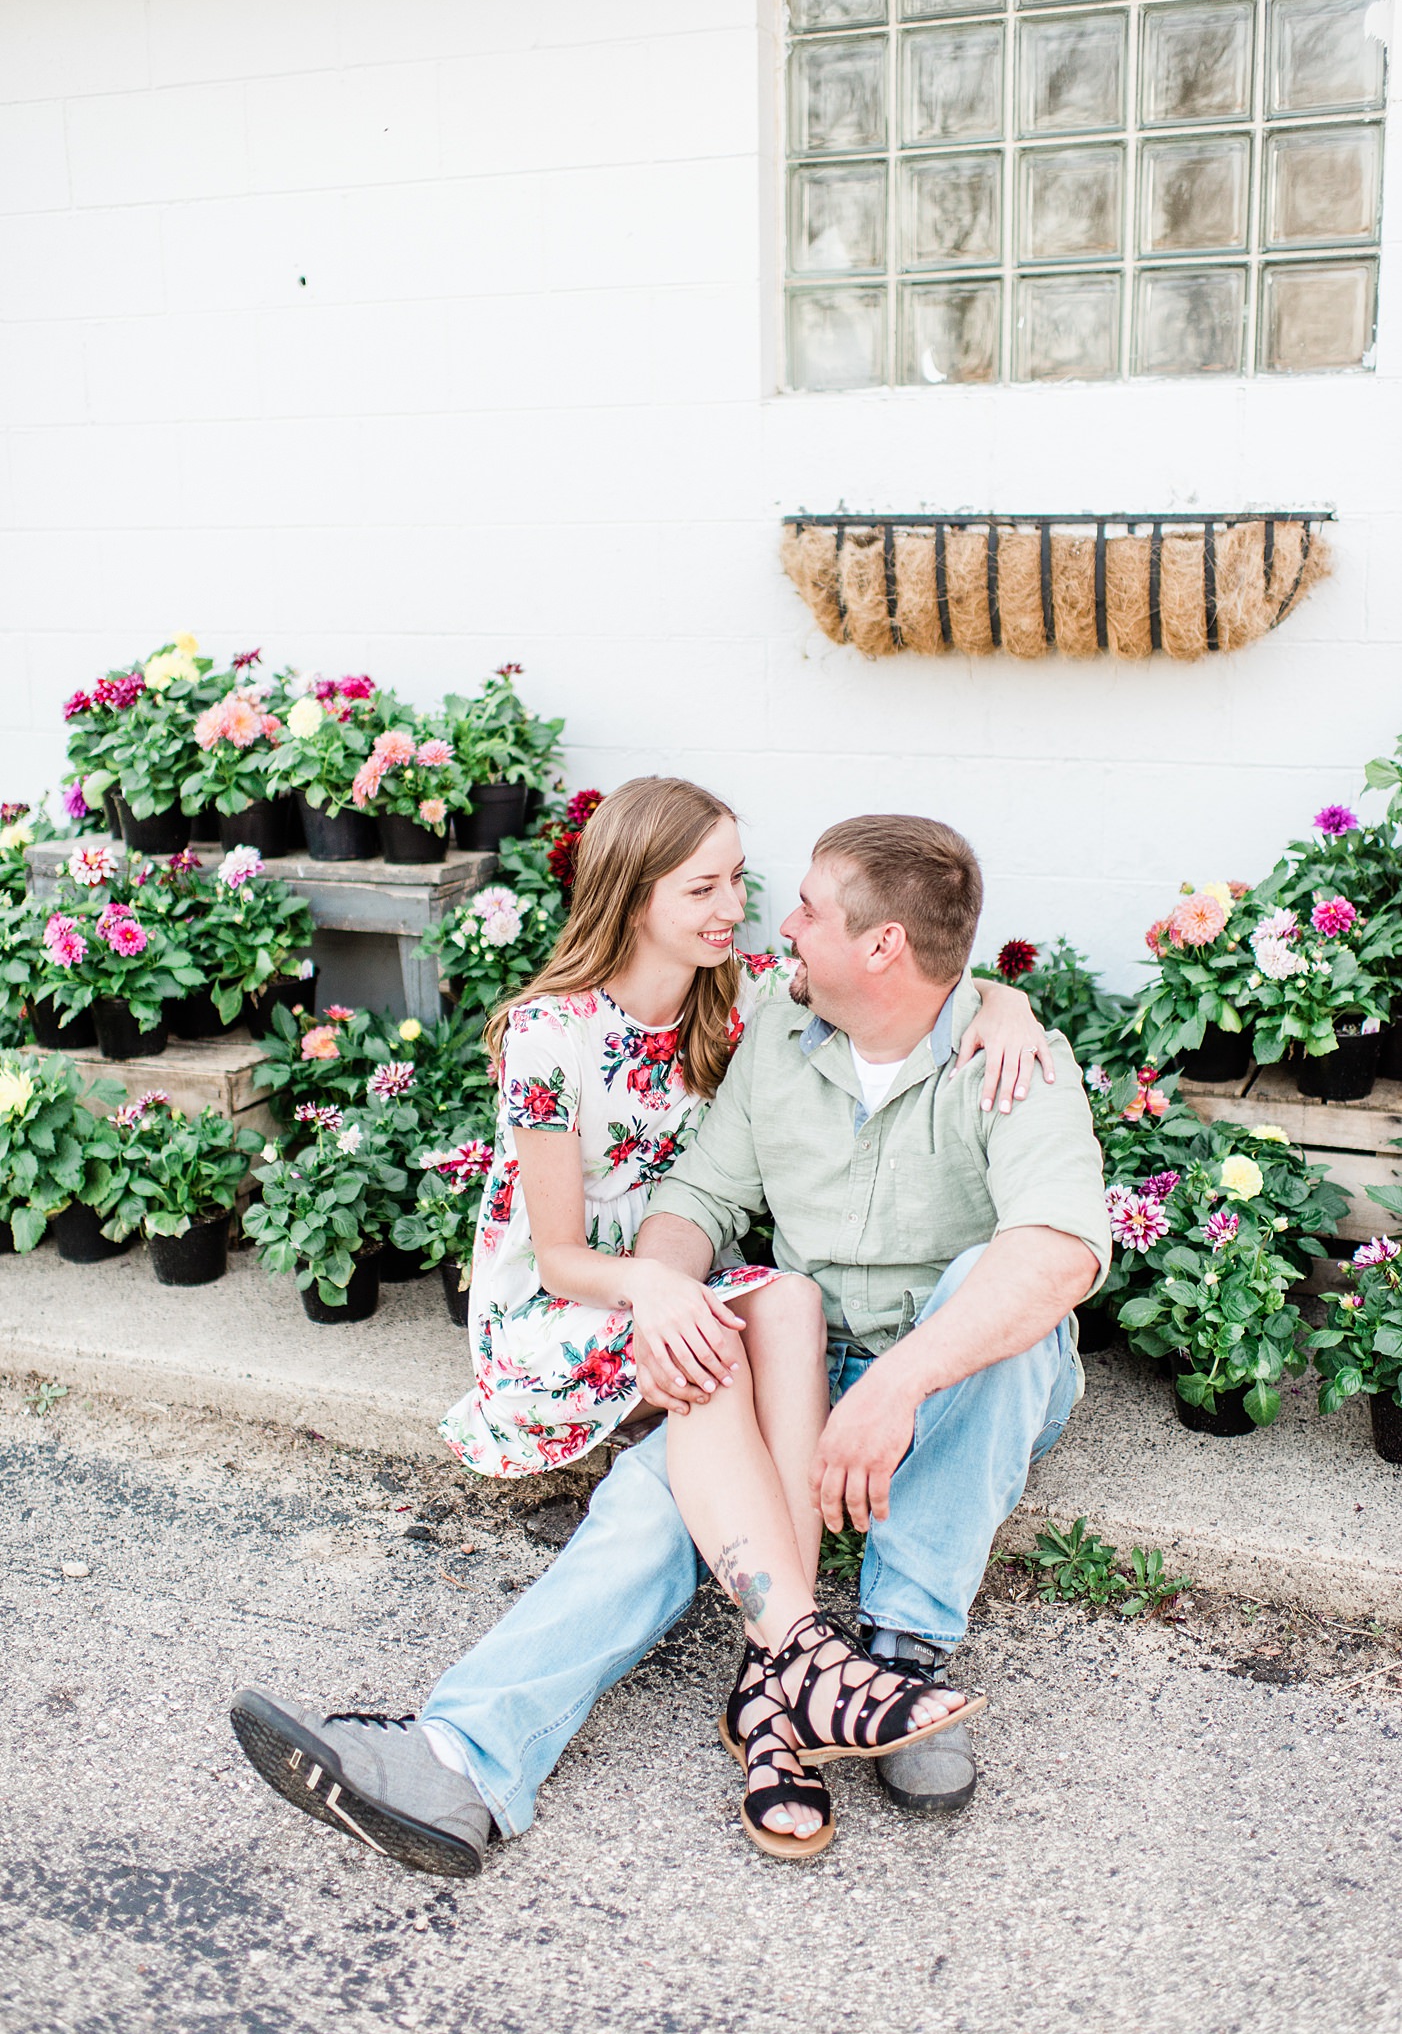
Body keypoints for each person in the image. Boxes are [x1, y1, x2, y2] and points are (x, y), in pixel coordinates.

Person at [231, 794, 1097, 1874]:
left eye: (810, 911)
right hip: (811, 1350)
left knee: (997, 1299)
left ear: (883, 946)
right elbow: (696, 1194)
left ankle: (899, 1656)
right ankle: (462, 1761)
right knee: (664, 1488)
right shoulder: (780, 1024)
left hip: (954, 1371)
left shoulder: (1012, 1058)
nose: (777, 922)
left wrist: (898, 1383)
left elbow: (1059, 1255)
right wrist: (665, 1304)